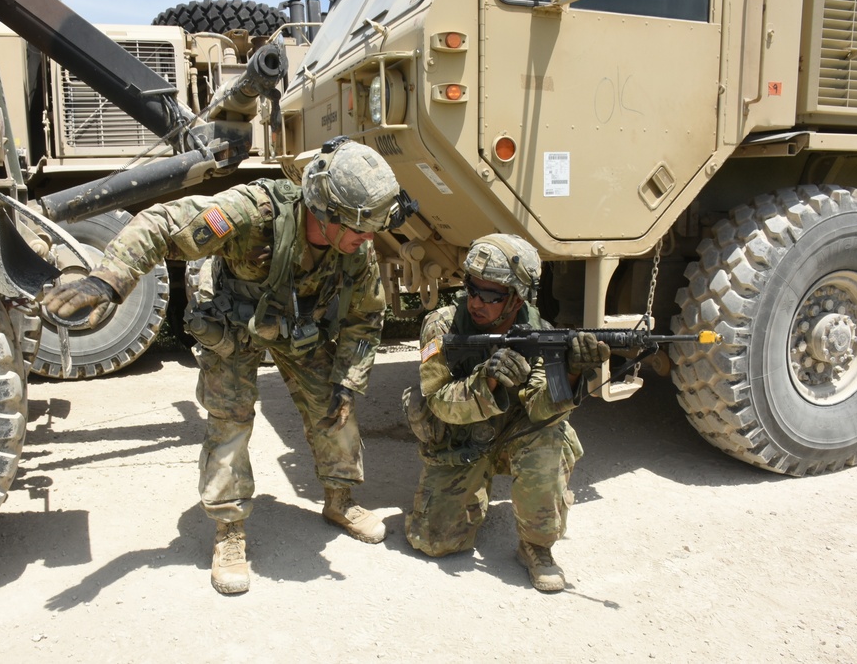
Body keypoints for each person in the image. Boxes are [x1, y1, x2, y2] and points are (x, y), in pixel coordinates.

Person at [43, 137, 414, 595]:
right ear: (326, 212)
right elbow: (162, 224)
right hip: (234, 323)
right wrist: (109, 278)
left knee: (335, 410)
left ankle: (340, 500)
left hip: (299, 327)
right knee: (230, 421)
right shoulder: (250, 212)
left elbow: (366, 316)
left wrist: (348, 380)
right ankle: (229, 529)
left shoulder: (357, 245)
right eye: (361, 228)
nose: (369, 238)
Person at [402, 234, 609, 592]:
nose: (477, 302)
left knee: (549, 437)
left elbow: (542, 407)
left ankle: (537, 545)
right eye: (472, 288)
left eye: (492, 295)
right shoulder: (442, 325)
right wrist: (488, 380)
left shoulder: (537, 332)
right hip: (462, 439)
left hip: (515, 437)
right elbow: (437, 401)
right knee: (435, 542)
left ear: (517, 298)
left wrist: (572, 370)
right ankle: (463, 494)